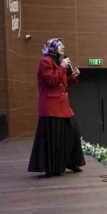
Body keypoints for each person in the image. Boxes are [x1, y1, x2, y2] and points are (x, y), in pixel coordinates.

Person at [28, 38, 85, 177]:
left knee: (73, 131)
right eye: (59, 45)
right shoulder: (45, 61)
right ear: (51, 48)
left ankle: (70, 162)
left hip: (63, 107)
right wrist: (63, 67)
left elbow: (63, 86)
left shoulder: (59, 63)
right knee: (55, 139)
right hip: (51, 108)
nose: (63, 46)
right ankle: (54, 167)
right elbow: (51, 81)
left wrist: (72, 77)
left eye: (62, 44)